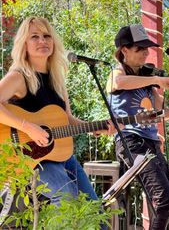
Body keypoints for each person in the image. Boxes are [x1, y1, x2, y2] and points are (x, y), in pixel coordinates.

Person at [0, 16, 116, 208]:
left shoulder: (57, 79)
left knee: (94, 210)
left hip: (61, 155)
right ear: (24, 45)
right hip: (30, 158)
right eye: (34, 37)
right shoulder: (19, 77)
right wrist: (28, 128)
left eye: (47, 36)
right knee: (67, 199)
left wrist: (94, 127)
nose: (43, 41)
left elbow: (66, 119)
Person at [106, 24, 169, 230]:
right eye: (140, 49)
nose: (147, 53)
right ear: (124, 51)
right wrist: (156, 78)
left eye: (147, 48)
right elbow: (118, 83)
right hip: (131, 141)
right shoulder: (117, 72)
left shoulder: (147, 80)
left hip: (151, 143)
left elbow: (160, 115)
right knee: (165, 200)